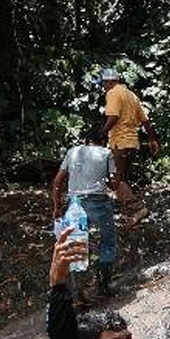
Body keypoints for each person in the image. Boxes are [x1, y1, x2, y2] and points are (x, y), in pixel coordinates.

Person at [51, 126, 119, 298]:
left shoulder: (72, 151)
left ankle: (77, 294)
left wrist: (57, 207)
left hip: (74, 204)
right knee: (108, 242)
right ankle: (103, 286)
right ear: (103, 141)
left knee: (75, 246)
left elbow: (57, 182)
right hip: (98, 203)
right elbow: (114, 184)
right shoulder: (106, 153)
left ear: (86, 140)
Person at [100, 67, 161, 216]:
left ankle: (137, 208)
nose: (103, 86)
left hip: (119, 143)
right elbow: (145, 121)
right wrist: (152, 140)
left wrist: (100, 134)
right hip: (132, 144)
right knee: (122, 179)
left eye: (104, 83)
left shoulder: (113, 93)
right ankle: (130, 212)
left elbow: (113, 117)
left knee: (115, 178)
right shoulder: (132, 95)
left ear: (110, 82)